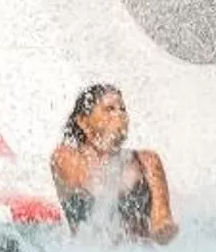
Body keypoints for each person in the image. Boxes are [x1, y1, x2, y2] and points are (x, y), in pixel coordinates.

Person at [50, 83, 178, 243]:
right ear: (83, 121)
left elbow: (162, 222)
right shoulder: (65, 156)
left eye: (123, 109)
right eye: (109, 109)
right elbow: (88, 182)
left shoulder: (148, 162)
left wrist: (164, 228)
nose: (120, 115)